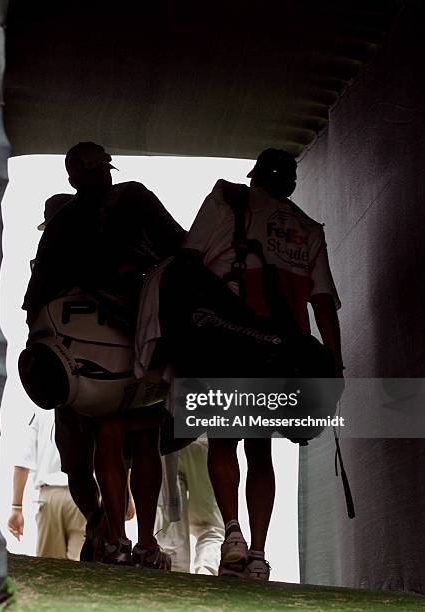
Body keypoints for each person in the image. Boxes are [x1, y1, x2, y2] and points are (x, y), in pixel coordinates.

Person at [182, 148, 343, 580]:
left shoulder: (227, 201)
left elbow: (188, 262)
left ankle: (232, 533)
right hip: (283, 351)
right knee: (260, 448)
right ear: (290, 183)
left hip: (228, 341)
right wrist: (335, 366)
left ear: (255, 177)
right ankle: (257, 553)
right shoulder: (308, 228)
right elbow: (323, 301)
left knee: (222, 442)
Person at [22, 142, 185, 568]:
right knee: (143, 436)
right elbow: (183, 249)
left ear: (72, 178)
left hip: (94, 354)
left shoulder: (63, 223)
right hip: (142, 337)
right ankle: (142, 541)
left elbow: (35, 303)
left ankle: (116, 536)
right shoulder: (134, 198)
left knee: (109, 435)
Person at [7, 409, 86, 560]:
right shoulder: (89, 405)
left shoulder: (39, 412)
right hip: (85, 495)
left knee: (50, 567)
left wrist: (16, 508)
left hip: (50, 497)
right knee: (82, 564)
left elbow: (22, 464)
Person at [155, 436, 224, 575]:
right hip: (201, 438)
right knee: (209, 526)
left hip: (166, 442)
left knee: (171, 526)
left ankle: (176, 576)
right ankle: (206, 572)